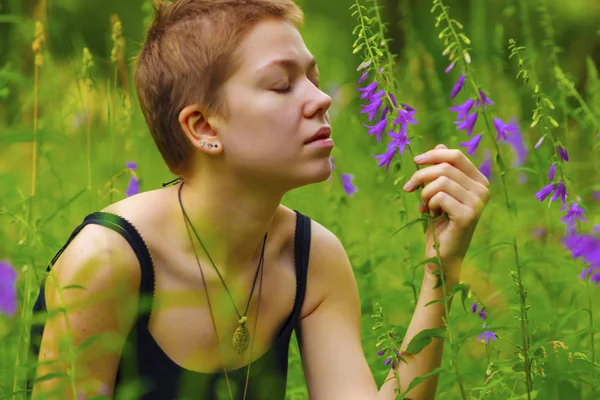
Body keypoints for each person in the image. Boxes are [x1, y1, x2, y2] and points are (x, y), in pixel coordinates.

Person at [30, 0, 490, 399]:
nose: (321, 99)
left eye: (313, 77)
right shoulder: (107, 263)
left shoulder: (312, 259)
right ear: (204, 128)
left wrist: (442, 269)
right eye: (282, 85)